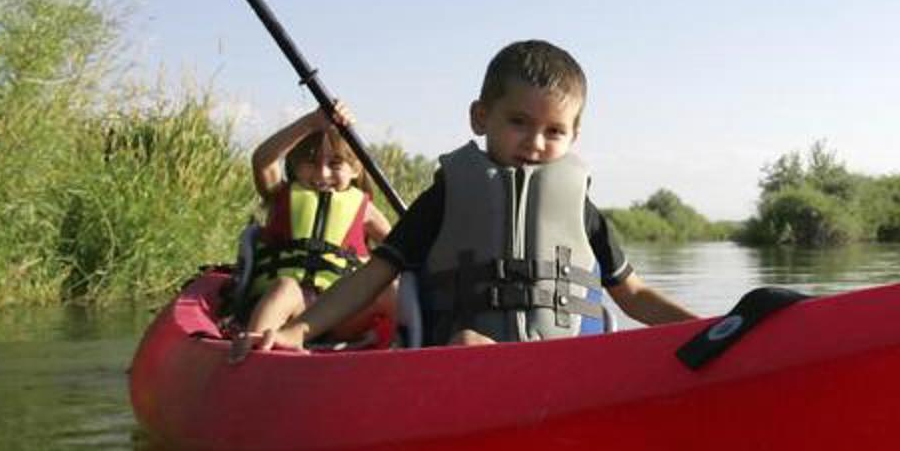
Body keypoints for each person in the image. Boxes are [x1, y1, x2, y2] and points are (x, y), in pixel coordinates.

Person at [238, 40, 695, 356]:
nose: (535, 143)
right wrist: (298, 330)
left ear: (574, 136)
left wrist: (710, 329)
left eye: (553, 131)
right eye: (519, 122)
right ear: (481, 118)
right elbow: (373, 275)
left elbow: (634, 295)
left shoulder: (578, 208)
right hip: (463, 363)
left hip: (563, 366)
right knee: (469, 341)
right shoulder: (446, 196)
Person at [231, 103, 393, 357]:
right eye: (310, 162)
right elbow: (263, 160)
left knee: (392, 289)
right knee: (285, 287)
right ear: (294, 165)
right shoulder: (281, 195)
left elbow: (402, 251)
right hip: (289, 308)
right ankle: (255, 356)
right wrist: (312, 122)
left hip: (340, 314)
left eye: (335, 163)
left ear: (355, 170)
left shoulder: (365, 211)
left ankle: (412, 358)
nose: (322, 173)